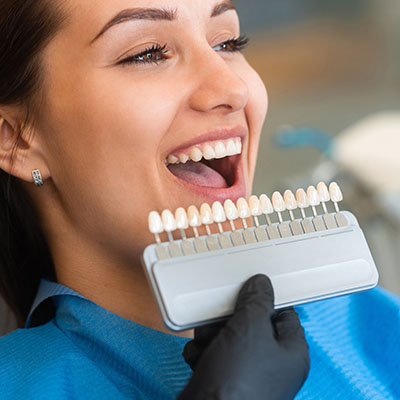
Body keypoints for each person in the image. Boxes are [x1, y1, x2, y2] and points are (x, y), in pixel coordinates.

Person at [0, 0, 398, 399]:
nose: (232, 89)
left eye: (227, 43)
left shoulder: (369, 323)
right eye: (148, 54)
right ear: (14, 138)